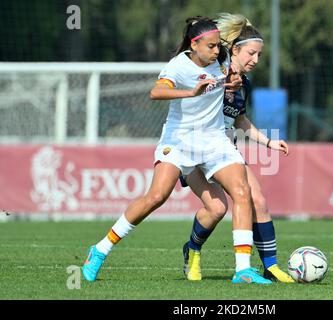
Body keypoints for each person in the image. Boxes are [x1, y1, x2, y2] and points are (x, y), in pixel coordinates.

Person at [82, 16, 272, 284]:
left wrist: (234, 83)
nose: (217, 52)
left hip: (214, 139)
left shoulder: (222, 58)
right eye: (211, 47)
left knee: (242, 193)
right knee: (157, 196)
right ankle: (100, 249)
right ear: (194, 45)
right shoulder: (179, 66)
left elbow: (230, 78)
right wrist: (191, 93)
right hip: (180, 140)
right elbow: (156, 92)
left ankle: (243, 270)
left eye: (219, 46)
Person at [181, 13, 294, 283]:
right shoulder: (213, 71)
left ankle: (270, 266)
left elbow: (239, 119)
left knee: (258, 199)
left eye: (259, 55)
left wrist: (268, 142)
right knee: (217, 209)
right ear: (234, 50)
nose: (256, 60)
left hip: (223, 151)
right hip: (193, 150)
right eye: (251, 53)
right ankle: (193, 250)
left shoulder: (244, 84)